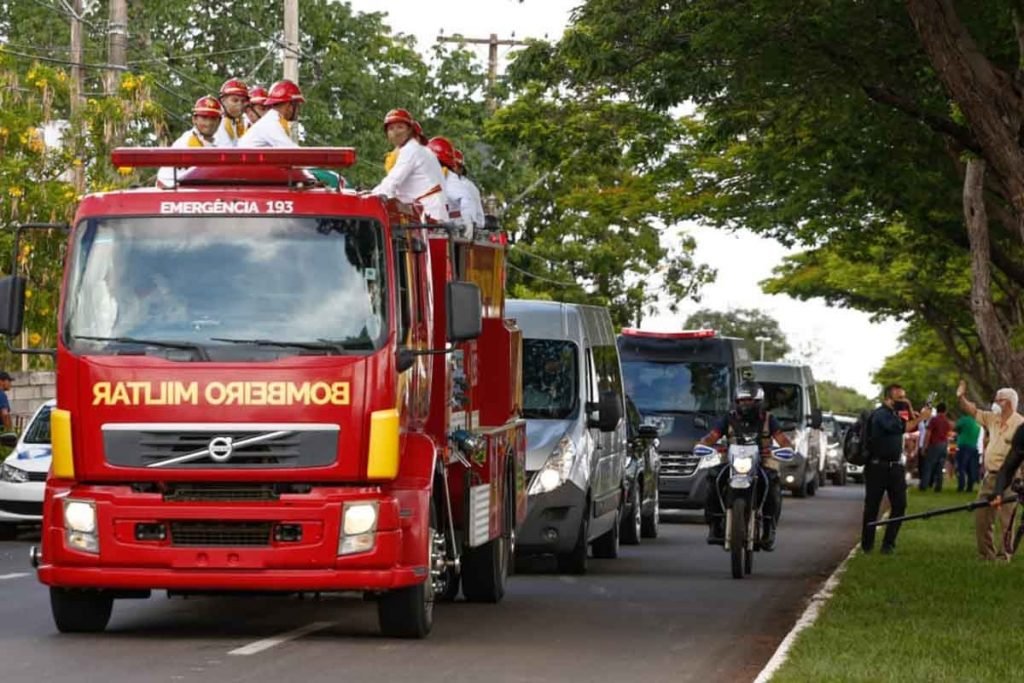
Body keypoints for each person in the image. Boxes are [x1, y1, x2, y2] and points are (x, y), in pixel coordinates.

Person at [698, 381, 792, 551]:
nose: (745, 404)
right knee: (713, 478)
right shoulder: (728, 418)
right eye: (741, 400)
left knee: (773, 484)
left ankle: (769, 528)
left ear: (758, 402)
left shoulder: (769, 419)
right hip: (732, 461)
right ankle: (715, 523)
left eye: (749, 400)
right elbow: (711, 437)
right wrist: (704, 445)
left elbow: (783, 440)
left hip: (762, 463)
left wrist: (784, 449)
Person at [861, 384, 932, 555]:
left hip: (895, 467)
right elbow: (902, 427)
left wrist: (912, 409)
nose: (903, 401)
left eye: (904, 397)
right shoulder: (881, 415)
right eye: (899, 398)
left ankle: (888, 544)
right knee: (872, 507)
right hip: (878, 467)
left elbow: (911, 426)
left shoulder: (896, 413)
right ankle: (867, 545)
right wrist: (921, 417)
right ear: (888, 399)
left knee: (900, 505)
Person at [957, 380, 1024, 561]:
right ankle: (987, 555)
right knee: (982, 517)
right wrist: (961, 397)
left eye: (998, 400)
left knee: (1006, 520)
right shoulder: (992, 418)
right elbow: (972, 410)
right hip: (990, 476)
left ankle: (1004, 557)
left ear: (1008, 403)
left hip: (1012, 478)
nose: (994, 403)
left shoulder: (1020, 424)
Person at [370, 109, 449, 222]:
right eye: (391, 128)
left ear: (409, 130)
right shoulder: (420, 150)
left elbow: (392, 182)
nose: (396, 132)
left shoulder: (411, 150)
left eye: (400, 127)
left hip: (429, 212)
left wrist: (368, 197)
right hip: (432, 211)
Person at [156, 96, 223, 188]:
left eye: (213, 118)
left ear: (219, 121)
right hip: (172, 192)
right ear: (194, 119)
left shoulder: (215, 142)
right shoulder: (188, 142)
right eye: (204, 118)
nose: (209, 123)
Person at [427, 136, 486, 237]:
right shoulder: (427, 176)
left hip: (452, 232)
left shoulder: (449, 178)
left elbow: (465, 199)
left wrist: (468, 221)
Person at [237, 79, 303, 148]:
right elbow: (293, 152)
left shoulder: (273, 120)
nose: (299, 110)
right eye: (298, 105)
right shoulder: (271, 123)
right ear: (289, 105)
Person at [920, 402, 951, 492]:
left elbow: (928, 433)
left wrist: (924, 447)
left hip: (934, 444)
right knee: (939, 466)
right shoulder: (946, 421)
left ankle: (924, 485)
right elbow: (948, 434)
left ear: (937, 410)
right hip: (944, 444)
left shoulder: (934, 420)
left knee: (928, 465)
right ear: (945, 411)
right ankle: (938, 486)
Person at [213, 78, 249, 147]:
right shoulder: (215, 125)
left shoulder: (241, 122)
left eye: (243, 101)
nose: (240, 104)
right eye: (235, 100)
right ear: (223, 101)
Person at [953, 411, 981, 493]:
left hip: (963, 445)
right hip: (973, 446)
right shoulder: (977, 423)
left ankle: (961, 486)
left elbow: (956, 428)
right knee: (970, 468)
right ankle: (970, 487)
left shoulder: (964, 420)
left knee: (961, 467)